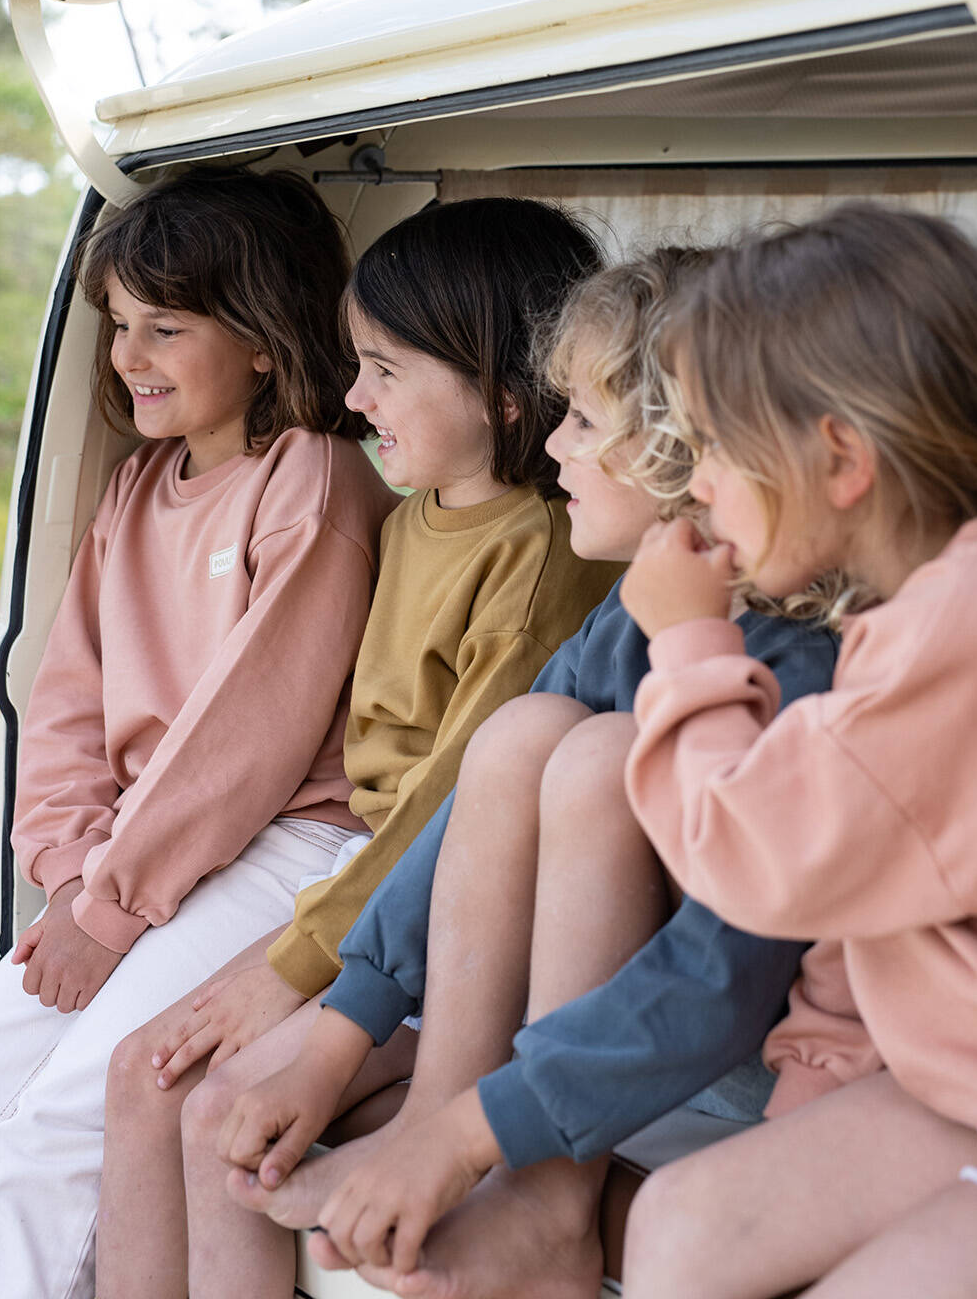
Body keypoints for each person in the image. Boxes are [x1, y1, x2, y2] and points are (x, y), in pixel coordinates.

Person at [209, 248, 839, 1299]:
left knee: (589, 752)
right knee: (527, 731)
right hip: (605, 1048)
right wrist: (342, 1030)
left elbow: (725, 973)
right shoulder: (632, 607)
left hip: (728, 1056)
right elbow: (471, 810)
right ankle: (438, 1127)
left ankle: (545, 1201)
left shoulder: (801, 665)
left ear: (690, 447)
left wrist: (478, 1130)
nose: (550, 448)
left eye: (583, 422)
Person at [94, 195, 618, 1299]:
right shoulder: (413, 512)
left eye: (382, 369)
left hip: (456, 917)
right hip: (371, 878)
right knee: (147, 1078)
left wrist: (291, 969)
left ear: (502, 391)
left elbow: (448, 815)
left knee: (205, 1112)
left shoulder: (535, 560)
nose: (351, 396)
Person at [615, 204, 977, 1299]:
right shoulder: (965, 591)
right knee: (684, 1221)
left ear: (840, 459)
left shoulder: (970, 633)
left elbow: (752, 856)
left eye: (718, 446)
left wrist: (685, 641)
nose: (701, 484)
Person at [0, 163, 397, 1299]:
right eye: (117, 326)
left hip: (287, 841)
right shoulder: (134, 491)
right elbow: (64, 709)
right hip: (133, 859)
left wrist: (108, 910)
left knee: (55, 1128)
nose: (129, 357)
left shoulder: (314, 479)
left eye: (166, 327)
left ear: (260, 337)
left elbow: (243, 739)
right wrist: (67, 877)